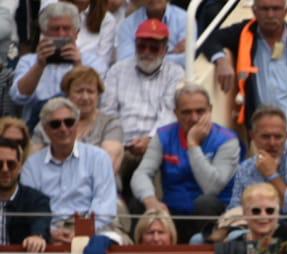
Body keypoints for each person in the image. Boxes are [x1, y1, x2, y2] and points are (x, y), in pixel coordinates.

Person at [131, 82, 237, 241]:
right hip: (172, 211)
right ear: (176, 113)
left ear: (210, 110)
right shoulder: (164, 135)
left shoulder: (227, 140)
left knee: (205, 203)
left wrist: (193, 145)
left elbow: (212, 187)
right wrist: (150, 201)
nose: (194, 118)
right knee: (139, 201)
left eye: (200, 111)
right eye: (186, 112)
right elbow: (141, 173)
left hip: (211, 213)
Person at [207, 0, 287, 126]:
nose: (270, 15)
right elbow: (209, 38)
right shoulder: (244, 32)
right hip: (260, 130)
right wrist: (221, 60)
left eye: (276, 9)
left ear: (286, 11)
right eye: (264, 9)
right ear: (254, 11)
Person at [21, 96, 117, 240]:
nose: (63, 128)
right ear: (45, 129)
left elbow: (104, 205)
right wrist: (50, 232)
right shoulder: (32, 164)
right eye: (55, 124)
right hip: (47, 234)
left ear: (77, 125)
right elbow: (30, 208)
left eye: (69, 122)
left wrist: (83, 231)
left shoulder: (99, 157)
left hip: (92, 231)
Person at [228, 105, 287, 244]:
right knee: (199, 240)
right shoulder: (245, 168)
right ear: (252, 136)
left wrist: (272, 175)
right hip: (253, 236)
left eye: (278, 137)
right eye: (266, 137)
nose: (272, 143)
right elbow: (235, 209)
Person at [103, 20, 181, 183]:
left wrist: (150, 140)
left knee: (151, 175)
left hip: (155, 145)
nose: (146, 52)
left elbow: (168, 114)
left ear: (165, 50)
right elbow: (108, 112)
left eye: (154, 48)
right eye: (141, 46)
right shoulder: (117, 70)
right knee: (106, 168)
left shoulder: (175, 73)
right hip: (120, 144)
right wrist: (119, 141)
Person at [10, 3, 106, 124]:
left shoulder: (93, 62)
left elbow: (100, 98)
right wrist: (39, 65)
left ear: (76, 33)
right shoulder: (29, 61)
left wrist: (78, 66)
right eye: (55, 29)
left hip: (82, 123)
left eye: (66, 29)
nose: (61, 34)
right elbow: (18, 97)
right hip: (38, 123)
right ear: (44, 33)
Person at [34, 63, 122, 174]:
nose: (85, 97)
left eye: (90, 91)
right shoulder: (48, 122)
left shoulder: (111, 124)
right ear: (67, 94)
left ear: (98, 95)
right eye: (79, 91)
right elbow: (33, 162)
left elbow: (107, 164)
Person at [0, 137, 52, 251]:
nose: (5, 169)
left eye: (11, 164)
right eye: (0, 164)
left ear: (20, 167)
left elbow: (40, 219)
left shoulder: (36, 199)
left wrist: (37, 236)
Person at [113, 0, 186, 67]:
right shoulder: (127, 25)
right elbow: (125, 62)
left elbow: (186, 60)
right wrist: (171, 52)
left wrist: (145, 58)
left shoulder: (185, 19)